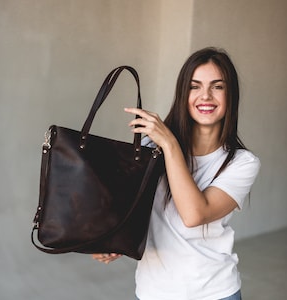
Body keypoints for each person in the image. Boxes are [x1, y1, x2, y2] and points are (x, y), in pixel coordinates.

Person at [92, 47, 261, 300]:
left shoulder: (242, 162)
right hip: (153, 291)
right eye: (195, 86)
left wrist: (169, 144)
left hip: (214, 292)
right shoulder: (153, 149)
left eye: (217, 87)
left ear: (231, 95)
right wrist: (115, 241)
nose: (205, 96)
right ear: (183, 94)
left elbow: (194, 214)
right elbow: (137, 211)